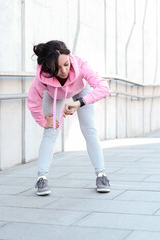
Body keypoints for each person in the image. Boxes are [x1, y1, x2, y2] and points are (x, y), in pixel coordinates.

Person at [27, 40, 111, 196]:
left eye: (66, 64)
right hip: (54, 94)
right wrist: (43, 121)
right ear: (48, 67)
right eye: (57, 68)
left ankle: (101, 175)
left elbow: (104, 88)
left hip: (81, 89)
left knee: (89, 129)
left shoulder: (79, 65)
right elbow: (33, 103)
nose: (64, 70)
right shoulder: (42, 77)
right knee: (51, 131)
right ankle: (42, 178)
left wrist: (80, 103)